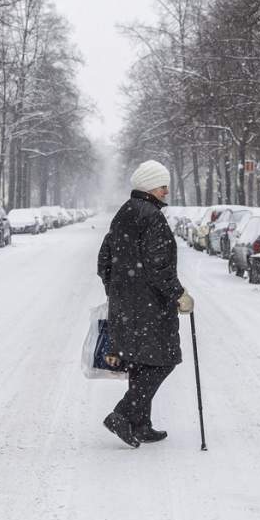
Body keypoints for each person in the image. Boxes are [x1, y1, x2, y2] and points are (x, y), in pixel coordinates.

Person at [97, 160, 194, 448]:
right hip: (150, 305)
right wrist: (177, 294)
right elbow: (159, 264)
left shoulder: (123, 214)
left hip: (126, 304)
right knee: (164, 361)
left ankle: (141, 424)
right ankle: (123, 414)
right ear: (150, 186)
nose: (166, 190)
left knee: (140, 363)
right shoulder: (151, 216)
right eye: (163, 185)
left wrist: (116, 290)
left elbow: (104, 259)